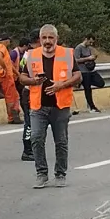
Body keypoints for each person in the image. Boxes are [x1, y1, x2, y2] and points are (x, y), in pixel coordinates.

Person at [19, 24, 80, 187]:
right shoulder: (31, 55)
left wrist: (62, 84)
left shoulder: (67, 53)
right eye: (44, 38)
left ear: (56, 39)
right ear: (39, 39)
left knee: (61, 141)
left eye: (50, 37)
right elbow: (22, 77)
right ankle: (41, 174)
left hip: (60, 106)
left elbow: (78, 75)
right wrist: (33, 81)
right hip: (38, 106)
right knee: (36, 138)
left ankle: (60, 174)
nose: (47, 41)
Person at [0, 33, 21, 124]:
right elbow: (0, 58)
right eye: (9, 40)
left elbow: (9, 63)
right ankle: (12, 117)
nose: (9, 42)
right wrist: (5, 69)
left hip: (0, 75)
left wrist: (17, 73)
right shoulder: (2, 48)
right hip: (5, 76)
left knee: (14, 96)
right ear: (6, 41)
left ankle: (14, 114)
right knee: (11, 97)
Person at [74, 35, 102, 114]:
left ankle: (83, 83)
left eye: (92, 43)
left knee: (101, 83)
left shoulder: (88, 48)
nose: (91, 44)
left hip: (90, 70)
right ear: (86, 39)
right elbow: (76, 60)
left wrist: (92, 58)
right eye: (90, 42)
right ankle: (92, 107)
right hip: (83, 71)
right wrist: (88, 58)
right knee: (88, 89)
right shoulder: (78, 48)